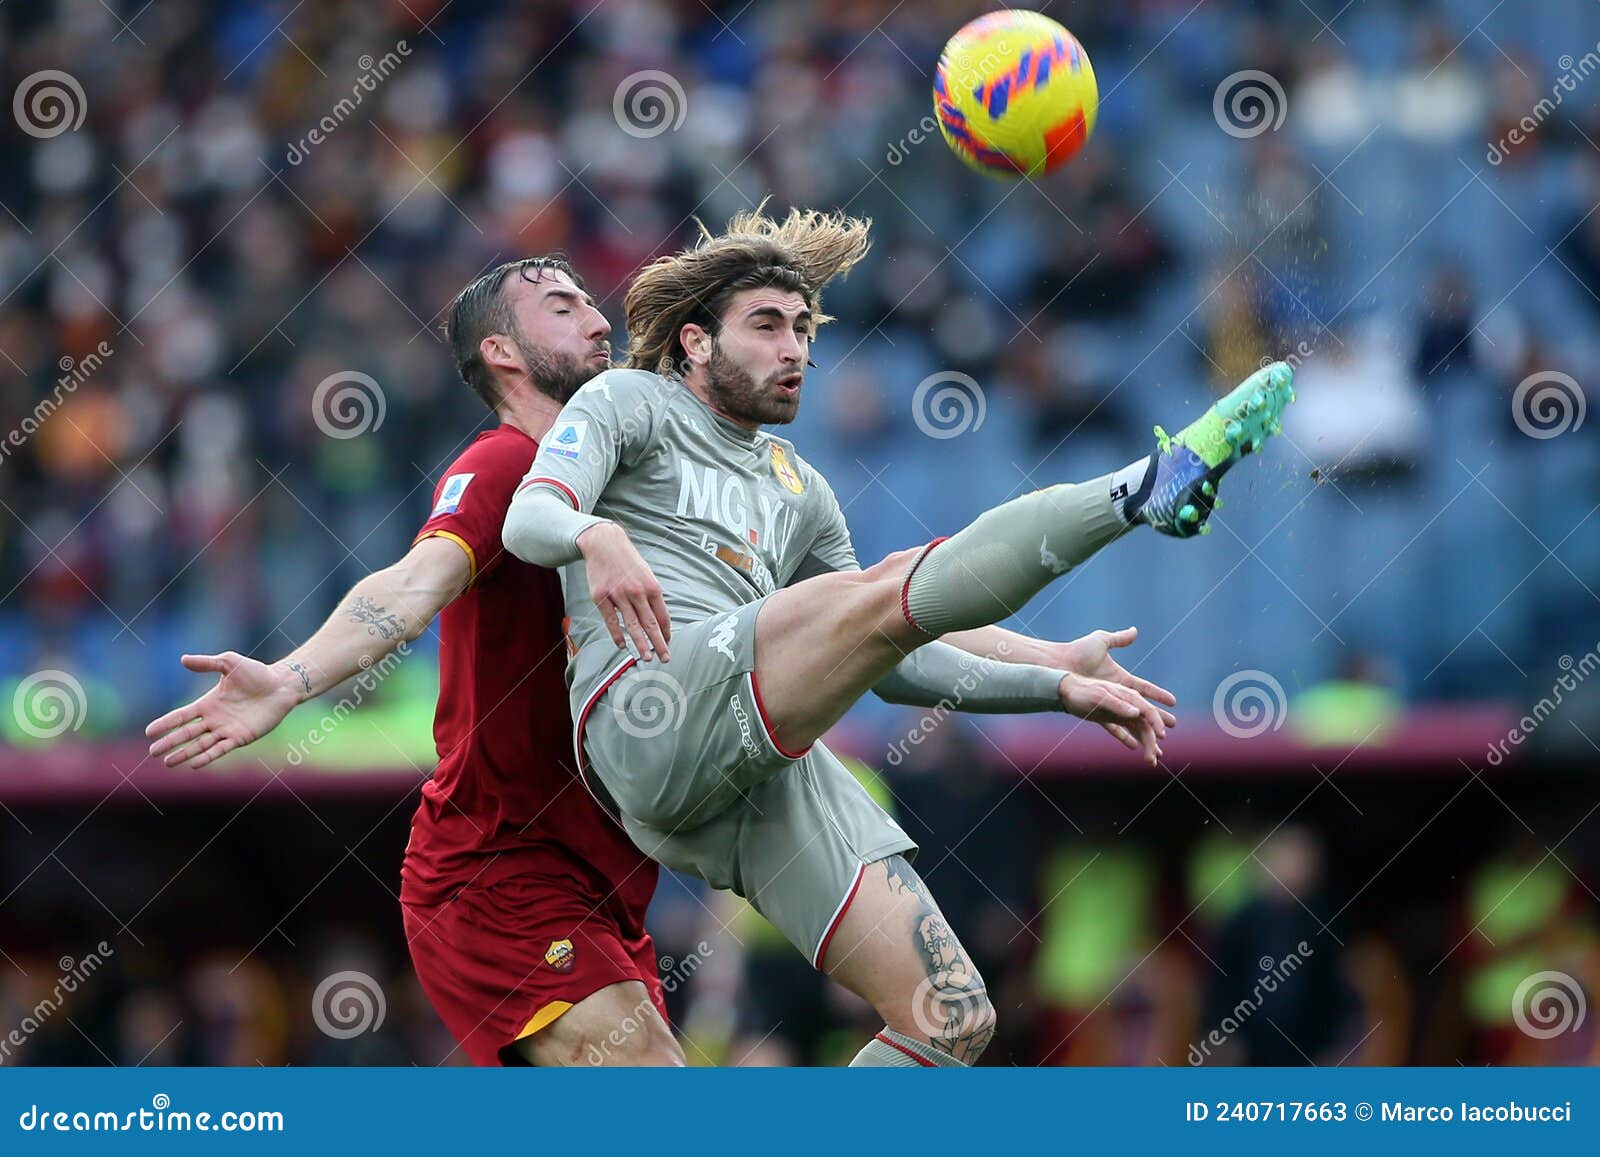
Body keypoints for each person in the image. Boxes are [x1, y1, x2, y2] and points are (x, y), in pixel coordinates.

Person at [501, 205, 1293, 1066]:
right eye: (766, 325)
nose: (794, 348)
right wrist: (594, 535)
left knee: (950, 1016)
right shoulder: (628, 402)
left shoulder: (799, 490)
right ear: (693, 342)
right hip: (647, 709)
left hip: (741, 769)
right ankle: (1143, 489)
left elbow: (894, 656)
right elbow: (529, 514)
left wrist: (1055, 673)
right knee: (876, 590)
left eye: (803, 328)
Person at [145, 257, 684, 1067]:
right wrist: (291, 680)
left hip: (607, 881)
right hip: (498, 871)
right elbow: (413, 580)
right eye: (564, 307)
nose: (600, 320)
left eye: (589, 302)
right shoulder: (503, 465)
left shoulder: (627, 484)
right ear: (502, 352)